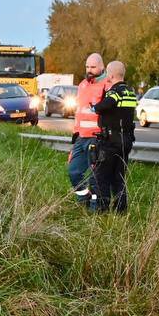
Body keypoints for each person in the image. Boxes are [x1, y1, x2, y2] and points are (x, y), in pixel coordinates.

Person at [91, 61, 137, 213]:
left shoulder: (114, 93)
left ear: (110, 75)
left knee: (102, 176)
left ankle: (102, 209)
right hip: (126, 141)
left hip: (110, 142)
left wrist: (93, 107)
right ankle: (121, 210)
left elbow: (101, 107)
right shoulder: (131, 92)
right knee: (119, 177)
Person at [68, 53, 109, 208]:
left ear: (101, 67)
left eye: (93, 67)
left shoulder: (107, 84)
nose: (89, 70)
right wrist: (75, 139)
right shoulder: (82, 85)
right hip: (81, 138)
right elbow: (79, 113)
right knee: (73, 172)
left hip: (97, 138)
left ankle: (96, 209)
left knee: (95, 177)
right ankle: (85, 197)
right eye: (87, 67)